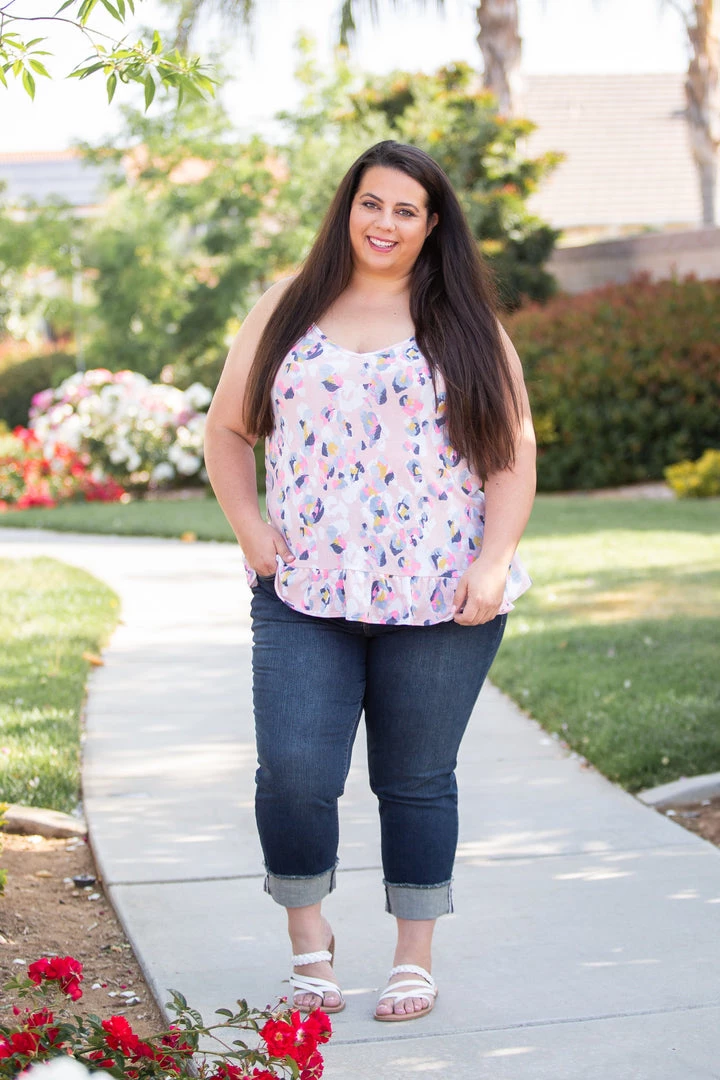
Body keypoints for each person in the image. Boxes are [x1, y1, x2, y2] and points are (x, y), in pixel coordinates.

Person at [203, 140, 536, 1023]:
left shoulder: (465, 323)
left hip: (440, 598)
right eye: (371, 203)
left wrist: (494, 562)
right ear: (346, 207)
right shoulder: (286, 307)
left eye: (405, 210)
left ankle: (413, 958)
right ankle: (311, 950)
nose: (383, 223)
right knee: (295, 774)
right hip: (305, 593)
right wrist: (251, 529)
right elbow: (229, 431)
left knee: (416, 779)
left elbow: (513, 452)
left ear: (432, 226)